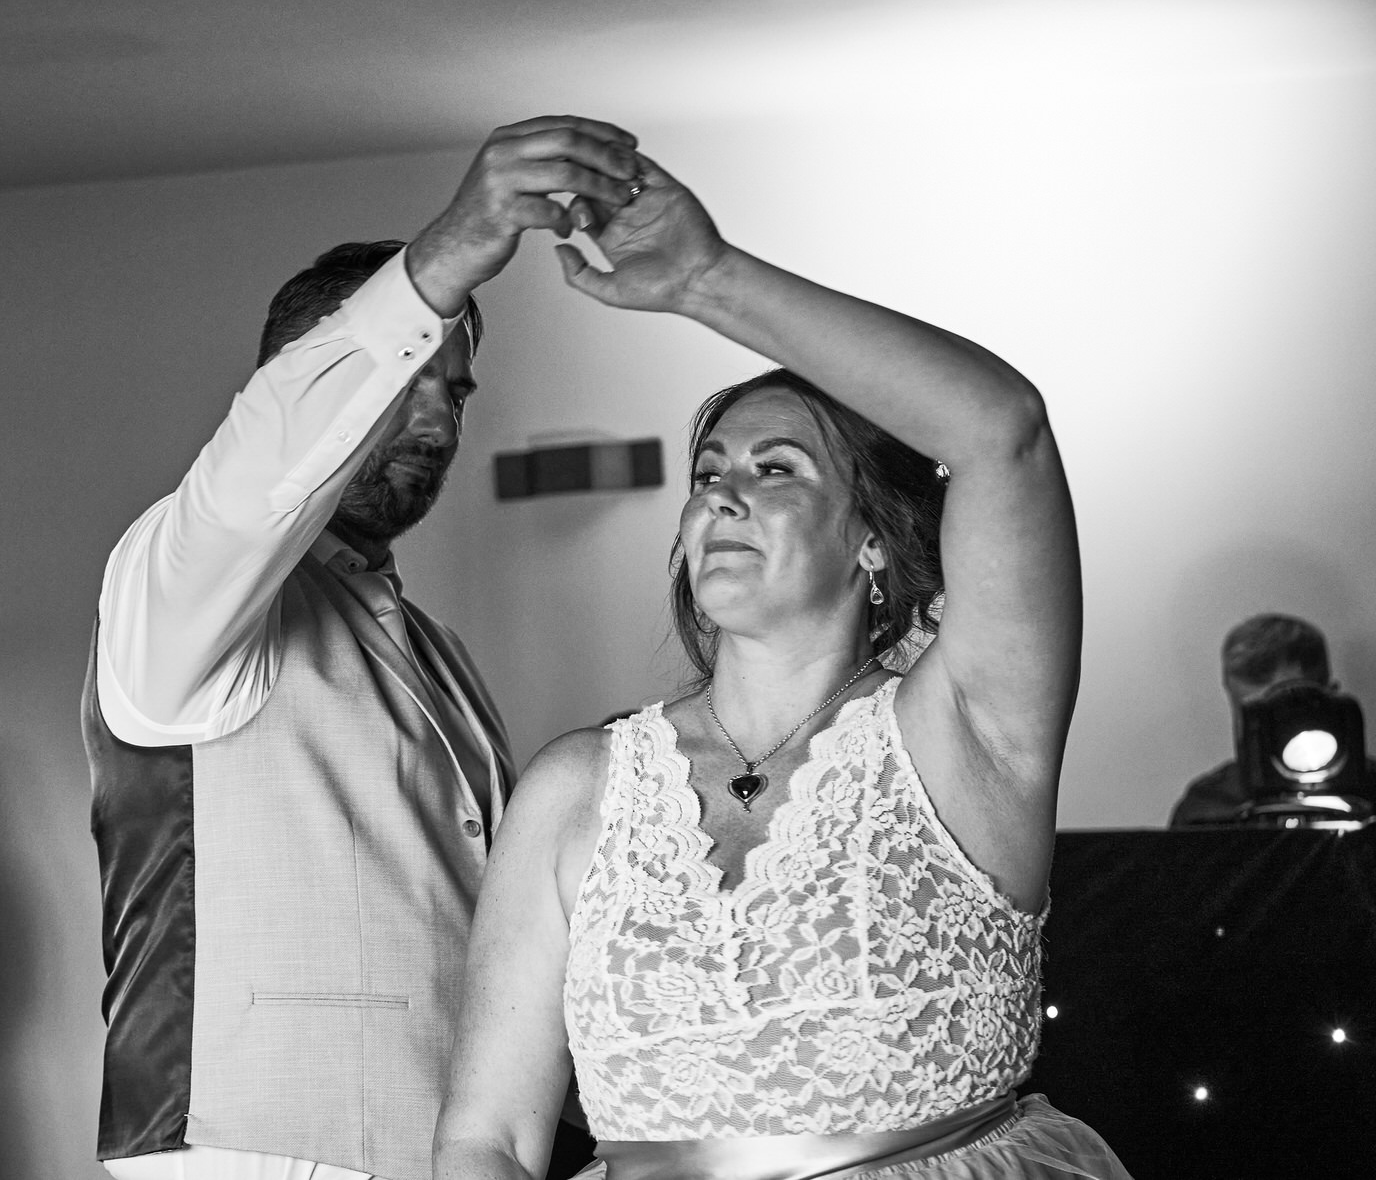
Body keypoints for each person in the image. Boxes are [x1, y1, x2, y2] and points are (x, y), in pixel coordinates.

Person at [433, 139, 1131, 1179]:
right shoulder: (575, 787)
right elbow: (485, 1134)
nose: (721, 494)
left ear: (870, 541)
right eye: (708, 472)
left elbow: (1002, 431)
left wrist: (706, 280)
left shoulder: (965, 732)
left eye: (776, 469)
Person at [82, 118, 646, 1180]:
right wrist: (441, 263)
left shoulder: (435, 653)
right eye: (411, 375)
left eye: (455, 392)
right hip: (251, 1148)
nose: (435, 420)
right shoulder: (177, 592)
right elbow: (256, 482)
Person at [1169, 613, 1354, 826]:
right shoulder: (1205, 809)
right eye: (1254, 715)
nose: (1268, 731)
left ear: (1330, 697)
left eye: (1287, 712)